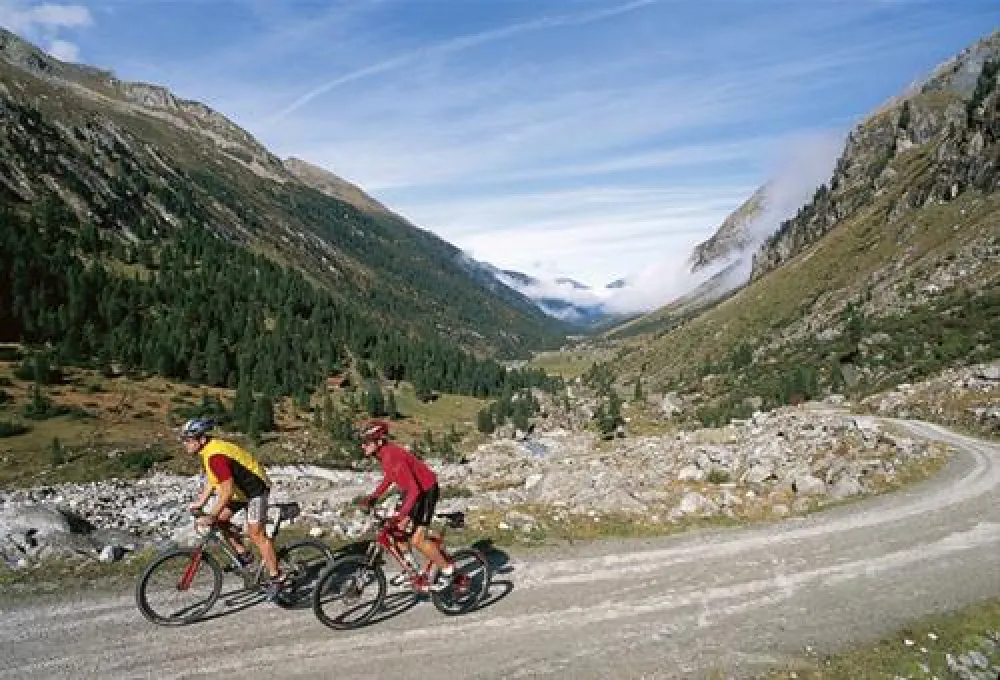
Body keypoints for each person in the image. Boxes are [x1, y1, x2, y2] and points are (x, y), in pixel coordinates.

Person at [179, 418, 287, 599]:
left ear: (201, 439)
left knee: (256, 534)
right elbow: (213, 480)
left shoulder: (216, 456)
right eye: (184, 440)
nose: (185, 444)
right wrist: (200, 503)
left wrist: (211, 515)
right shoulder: (208, 450)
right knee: (221, 522)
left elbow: (227, 491)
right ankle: (245, 556)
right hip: (241, 492)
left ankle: (277, 577)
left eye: (188, 440)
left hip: (255, 491)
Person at [358, 420, 455, 591]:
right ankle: (411, 569)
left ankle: (448, 571)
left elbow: (415, 490)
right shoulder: (383, 454)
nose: (362, 446)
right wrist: (374, 496)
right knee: (395, 531)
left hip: (425, 490)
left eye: (367, 442)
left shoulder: (392, 455)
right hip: (411, 490)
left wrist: (402, 515)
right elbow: (390, 476)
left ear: (379, 442)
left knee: (418, 539)